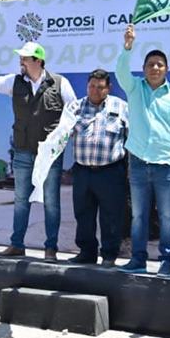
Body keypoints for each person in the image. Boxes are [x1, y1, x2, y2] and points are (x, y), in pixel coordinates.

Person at [0, 42, 77, 260]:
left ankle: (51, 248)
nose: (21, 61)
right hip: (22, 152)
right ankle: (17, 245)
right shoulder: (14, 82)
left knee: (51, 202)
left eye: (25, 58)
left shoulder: (60, 83)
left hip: (49, 156)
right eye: (20, 57)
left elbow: (73, 112)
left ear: (38, 60)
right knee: (21, 200)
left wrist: (61, 138)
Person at [115, 25, 170, 275]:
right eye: (150, 64)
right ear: (144, 68)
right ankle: (138, 259)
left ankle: (167, 260)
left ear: (166, 69)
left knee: (168, 215)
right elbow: (120, 72)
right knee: (138, 215)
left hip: (165, 163)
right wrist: (128, 47)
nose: (155, 68)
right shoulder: (134, 88)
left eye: (160, 64)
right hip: (138, 161)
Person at [65, 69, 129, 266]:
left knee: (111, 215)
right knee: (83, 214)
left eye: (100, 87)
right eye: (91, 86)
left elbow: (131, 137)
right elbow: (62, 133)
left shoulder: (121, 107)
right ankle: (86, 253)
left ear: (108, 88)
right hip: (82, 170)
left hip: (111, 171)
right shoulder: (75, 107)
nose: (95, 90)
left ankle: (109, 255)